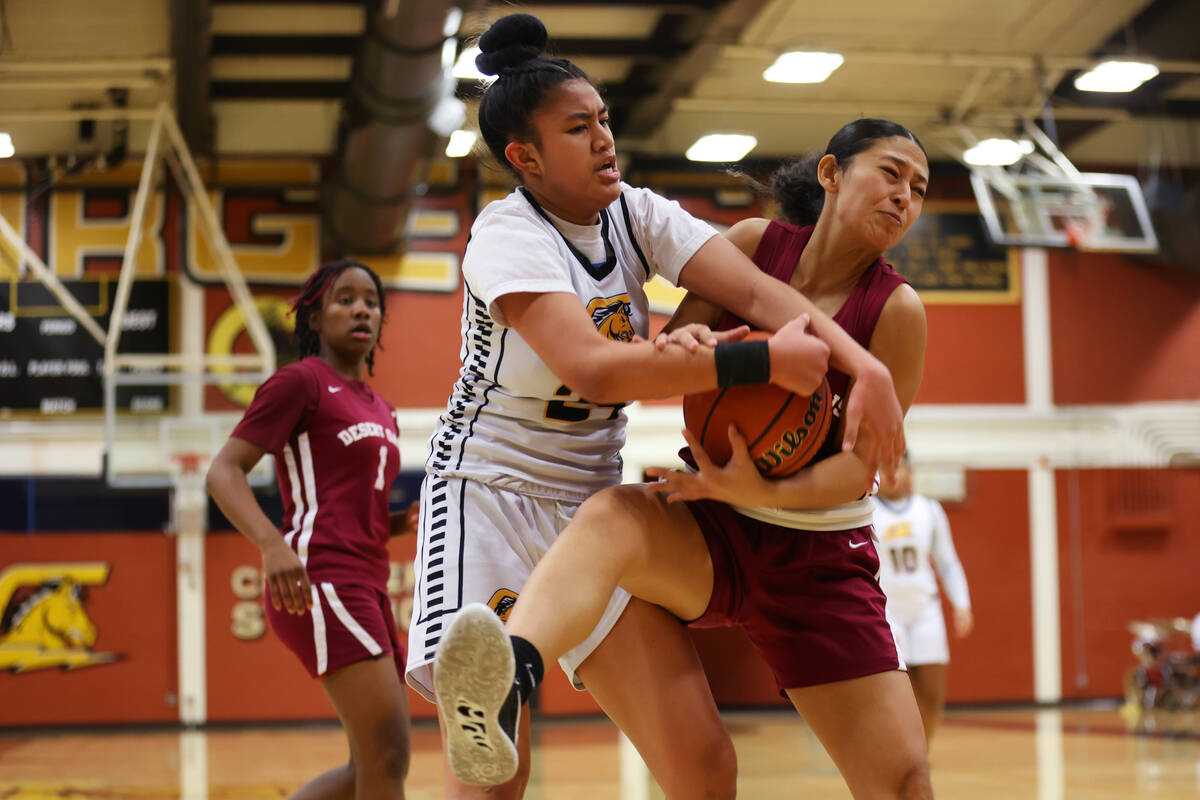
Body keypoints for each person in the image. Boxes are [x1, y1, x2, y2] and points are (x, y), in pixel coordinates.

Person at [407, 13, 909, 799]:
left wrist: (861, 365)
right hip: (489, 493)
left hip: (589, 506)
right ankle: (500, 687)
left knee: (703, 767)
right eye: (579, 128)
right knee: (497, 775)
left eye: (603, 119)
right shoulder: (506, 235)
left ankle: (514, 674)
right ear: (525, 157)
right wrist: (755, 359)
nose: (605, 138)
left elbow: (753, 288)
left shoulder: (635, 212)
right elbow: (597, 371)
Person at [207, 259, 415, 800]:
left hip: (366, 581)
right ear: (315, 318)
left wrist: (400, 522)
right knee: (388, 753)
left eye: (371, 301)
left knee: (370, 765)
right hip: (319, 578)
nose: (362, 308)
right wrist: (271, 545)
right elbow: (222, 472)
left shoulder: (383, 409)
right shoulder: (300, 383)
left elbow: (341, 501)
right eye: (345, 299)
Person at [873, 454, 973, 746]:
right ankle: (901, 753)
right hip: (887, 611)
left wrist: (962, 604)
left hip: (925, 609)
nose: (892, 474)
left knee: (933, 696)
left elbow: (947, 563)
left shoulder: (929, 510)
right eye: (885, 466)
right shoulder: (868, 509)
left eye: (898, 467)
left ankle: (919, 754)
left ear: (910, 471)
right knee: (898, 694)